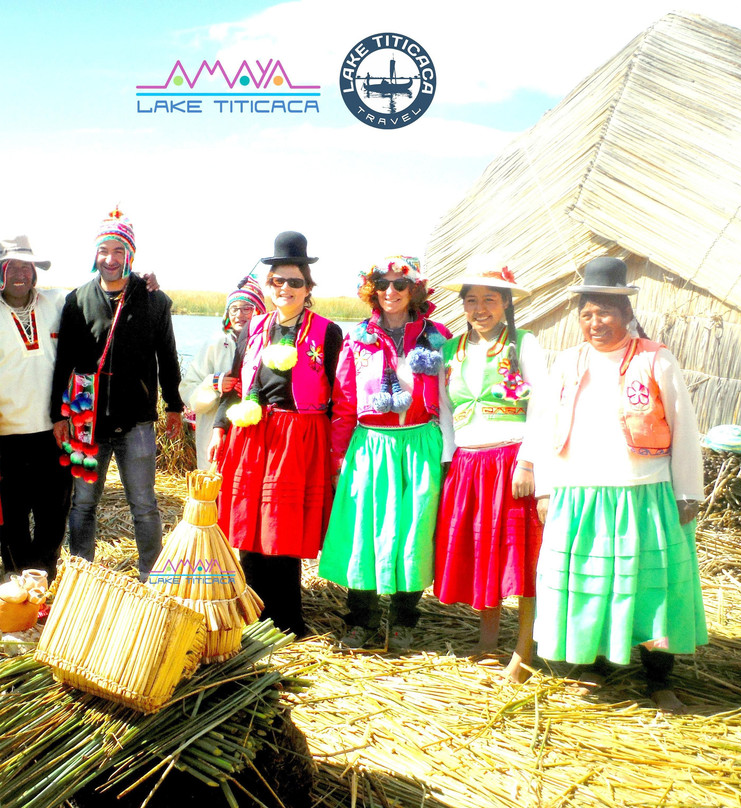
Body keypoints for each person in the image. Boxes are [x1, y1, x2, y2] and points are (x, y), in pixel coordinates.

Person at [534, 256, 707, 712]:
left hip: (643, 494)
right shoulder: (568, 363)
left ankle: (658, 677)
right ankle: (597, 665)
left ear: (627, 313)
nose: (596, 322)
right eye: (587, 314)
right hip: (580, 494)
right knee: (593, 586)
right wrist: (546, 489)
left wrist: (687, 491)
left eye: (605, 312)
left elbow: (684, 426)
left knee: (653, 587)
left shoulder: (656, 359)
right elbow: (546, 429)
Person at [209, 231, 342, 638]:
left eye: (295, 281)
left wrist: (337, 452)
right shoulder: (255, 327)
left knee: (281, 526)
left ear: (309, 287)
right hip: (251, 432)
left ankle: (286, 620)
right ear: (268, 285)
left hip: (298, 434)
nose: (285, 288)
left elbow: (339, 395)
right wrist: (219, 427)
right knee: (248, 524)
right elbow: (234, 382)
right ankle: (252, 612)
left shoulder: (327, 332)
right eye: (278, 281)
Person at [318, 256, 453, 651]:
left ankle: (405, 619)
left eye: (399, 284)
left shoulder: (437, 335)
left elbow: (447, 398)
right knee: (365, 529)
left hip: (420, 442)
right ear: (372, 290)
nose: (390, 292)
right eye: (382, 284)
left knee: (414, 529)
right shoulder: (356, 337)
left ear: (415, 290)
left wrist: (447, 451)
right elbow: (343, 401)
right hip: (370, 444)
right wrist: (339, 456)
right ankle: (361, 619)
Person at [50, 208, 183, 581]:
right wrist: (56, 413)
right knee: (84, 504)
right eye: (104, 250)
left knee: (144, 504)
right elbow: (64, 361)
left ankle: (150, 577)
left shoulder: (154, 301)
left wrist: (173, 404)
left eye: (118, 251)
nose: (110, 259)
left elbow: (168, 356)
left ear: (131, 254)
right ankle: (82, 575)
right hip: (85, 421)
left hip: (137, 421)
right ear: (95, 254)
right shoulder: (77, 300)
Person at [432, 256, 546, 680]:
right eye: (472, 300)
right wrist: (448, 461)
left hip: (511, 460)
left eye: (490, 300)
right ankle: (486, 641)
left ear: (506, 304)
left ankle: (523, 650)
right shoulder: (450, 351)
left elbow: (543, 407)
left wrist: (529, 461)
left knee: (520, 555)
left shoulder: (525, 344)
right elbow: (445, 411)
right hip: (468, 463)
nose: (481, 309)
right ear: (462, 306)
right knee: (484, 549)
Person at [0, 236, 70, 581]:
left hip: (53, 428)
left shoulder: (57, 303)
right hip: (5, 430)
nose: (20, 274)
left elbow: (101, 298)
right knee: (12, 510)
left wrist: (143, 287)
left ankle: (46, 573)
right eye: (11, 266)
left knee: (54, 508)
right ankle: (16, 576)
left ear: (35, 272)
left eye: (26, 267)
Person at [179, 271, 265, 470]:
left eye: (247, 308)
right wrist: (215, 383)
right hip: (213, 430)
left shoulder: (266, 343)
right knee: (214, 484)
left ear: (259, 311)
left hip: (254, 431)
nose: (239, 314)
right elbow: (187, 389)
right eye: (233, 309)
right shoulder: (215, 344)